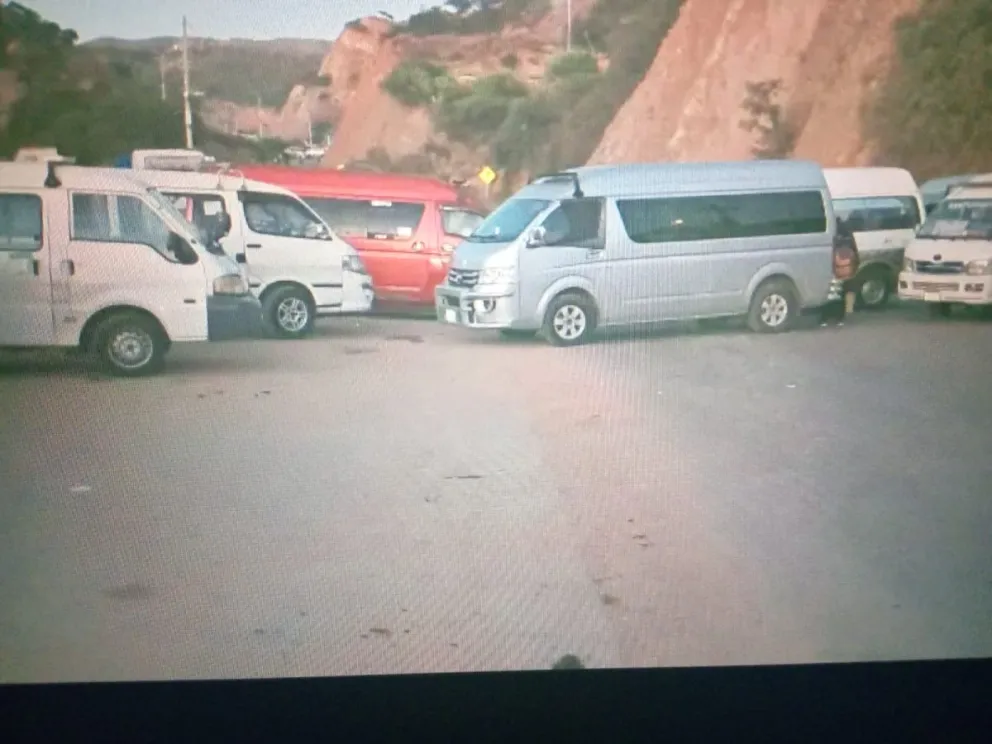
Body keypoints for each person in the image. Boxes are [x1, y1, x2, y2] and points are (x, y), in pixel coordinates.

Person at [821, 219, 860, 327]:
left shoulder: (831, 236)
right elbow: (855, 252)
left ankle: (825, 318)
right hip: (845, 270)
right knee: (841, 294)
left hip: (834, 268)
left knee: (828, 294)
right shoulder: (848, 236)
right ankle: (840, 318)